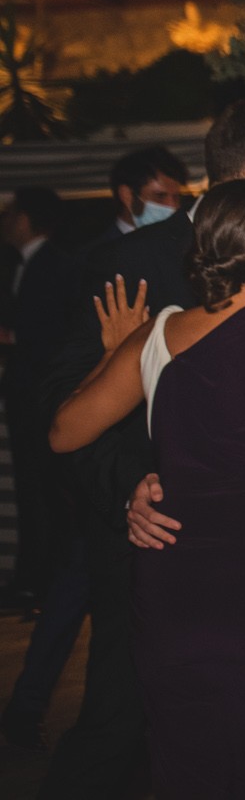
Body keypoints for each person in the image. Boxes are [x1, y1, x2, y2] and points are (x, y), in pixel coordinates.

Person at [40, 97, 245, 799]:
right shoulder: (128, 263)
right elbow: (60, 407)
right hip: (152, 542)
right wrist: (132, 482)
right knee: (121, 723)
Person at [0, 269, 148, 750]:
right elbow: (61, 420)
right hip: (93, 484)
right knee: (72, 595)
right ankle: (29, 711)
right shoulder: (93, 266)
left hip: (133, 491)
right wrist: (117, 353)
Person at [1, 186, 82, 606]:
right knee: (36, 488)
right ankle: (35, 579)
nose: (6, 220)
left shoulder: (53, 265)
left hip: (40, 396)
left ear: (28, 219)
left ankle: (42, 581)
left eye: (12, 213)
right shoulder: (23, 265)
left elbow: (51, 333)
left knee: (43, 489)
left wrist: (11, 336)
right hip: (26, 393)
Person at [98, 146, 189, 245]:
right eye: (160, 196)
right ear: (127, 196)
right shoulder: (97, 256)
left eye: (176, 197)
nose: (173, 206)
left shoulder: (182, 245)